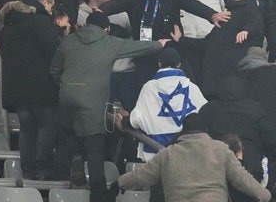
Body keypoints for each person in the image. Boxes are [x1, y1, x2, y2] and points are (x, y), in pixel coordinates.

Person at [49, 11, 170, 202]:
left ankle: (75, 159)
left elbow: (54, 70)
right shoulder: (109, 42)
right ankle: (98, 193)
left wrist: (66, 86)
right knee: (94, 145)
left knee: (68, 131)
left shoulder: (68, 41)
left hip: (67, 95)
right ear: (106, 28)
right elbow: (138, 47)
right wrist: (160, 44)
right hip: (92, 100)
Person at [100, 0, 231, 90]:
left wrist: (212, 15)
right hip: (145, 54)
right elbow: (109, 7)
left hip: (171, 52)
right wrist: (97, 13)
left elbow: (193, 5)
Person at [110, 113, 272, 202]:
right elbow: (242, 179)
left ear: (183, 131)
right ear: (205, 129)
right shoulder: (220, 149)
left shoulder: (168, 154)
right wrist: (267, 196)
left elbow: (142, 175)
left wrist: (119, 183)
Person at [117, 48, 207, 202]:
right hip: (187, 155)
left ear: (159, 64)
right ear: (179, 64)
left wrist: (123, 120)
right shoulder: (192, 88)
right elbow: (204, 116)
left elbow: (136, 119)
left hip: (156, 155)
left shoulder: (149, 87)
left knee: (158, 194)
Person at [0, 0, 61, 180]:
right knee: (46, 125)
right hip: (40, 85)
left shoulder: (8, 23)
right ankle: (44, 168)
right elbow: (54, 50)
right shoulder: (40, 21)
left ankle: (28, 169)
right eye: (51, 7)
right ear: (46, 3)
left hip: (15, 86)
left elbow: (1, 46)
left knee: (27, 127)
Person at [171, 0, 264, 98]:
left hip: (230, 81)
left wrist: (246, 30)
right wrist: (181, 40)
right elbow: (207, 43)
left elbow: (256, 22)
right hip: (212, 80)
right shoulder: (228, 14)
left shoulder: (250, 7)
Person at [199, 74, 276, 194]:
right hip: (251, 164)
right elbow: (270, 137)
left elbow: (199, 135)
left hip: (217, 164)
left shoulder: (208, 110)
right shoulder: (254, 108)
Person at [239, 47, 276, 129]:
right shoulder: (273, 73)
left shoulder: (238, 76)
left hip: (248, 122)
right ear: (265, 58)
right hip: (271, 120)